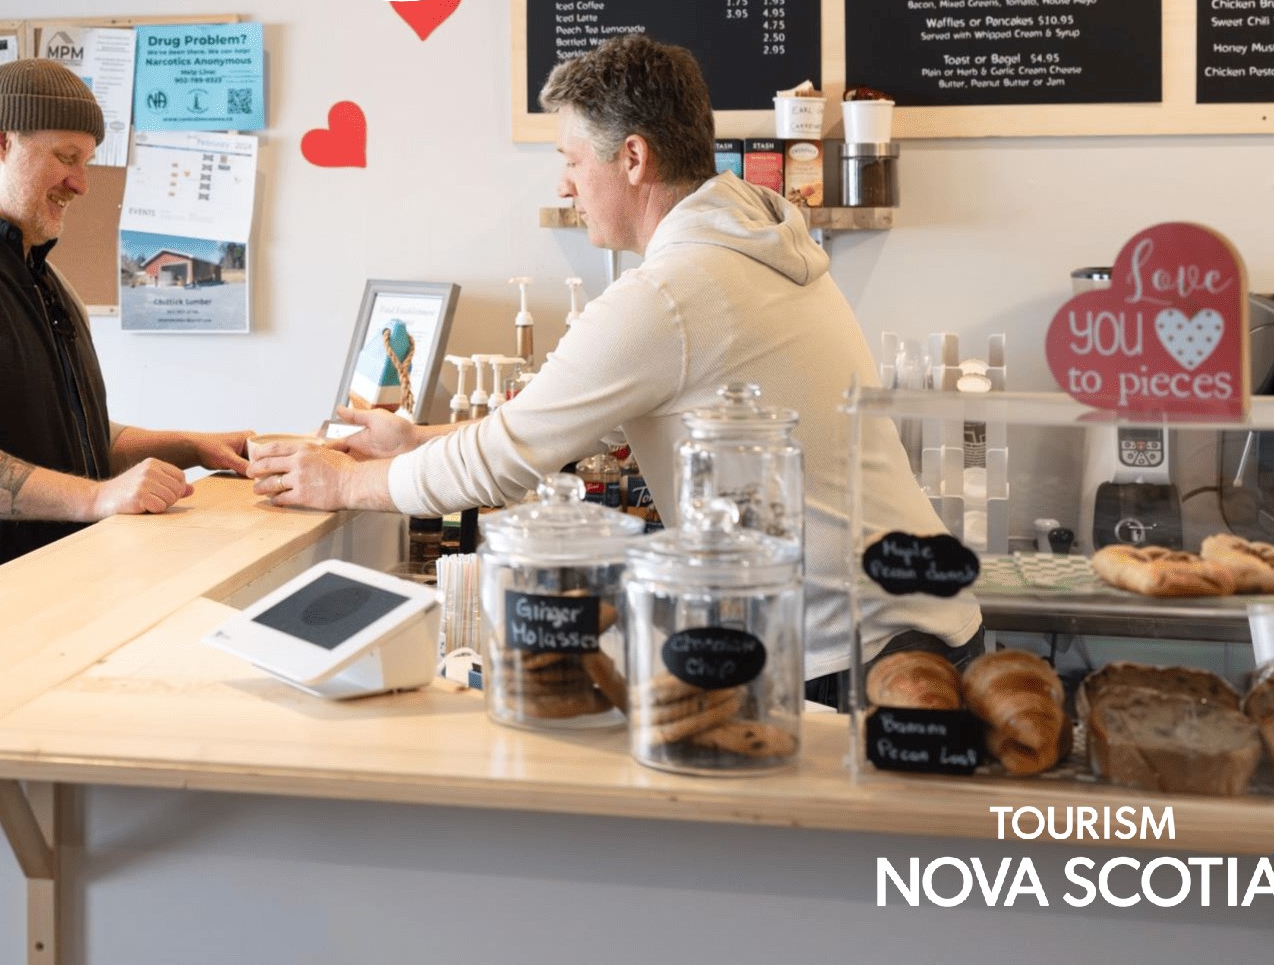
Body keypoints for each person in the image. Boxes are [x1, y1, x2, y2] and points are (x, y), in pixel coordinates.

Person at [245, 34, 980, 702]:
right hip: (914, 626)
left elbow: (501, 465)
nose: (563, 184)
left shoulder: (673, 295)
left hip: (856, 660)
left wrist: (341, 482)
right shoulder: (750, 246)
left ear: (632, 158)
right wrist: (419, 442)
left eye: (570, 160)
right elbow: (537, 431)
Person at [0, 57, 251, 617]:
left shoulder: (43, 278)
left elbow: (61, 433)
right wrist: (99, 498)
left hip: (40, 595)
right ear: (3, 140)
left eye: (84, 163)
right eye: (66, 158)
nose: (80, 183)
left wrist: (194, 446)